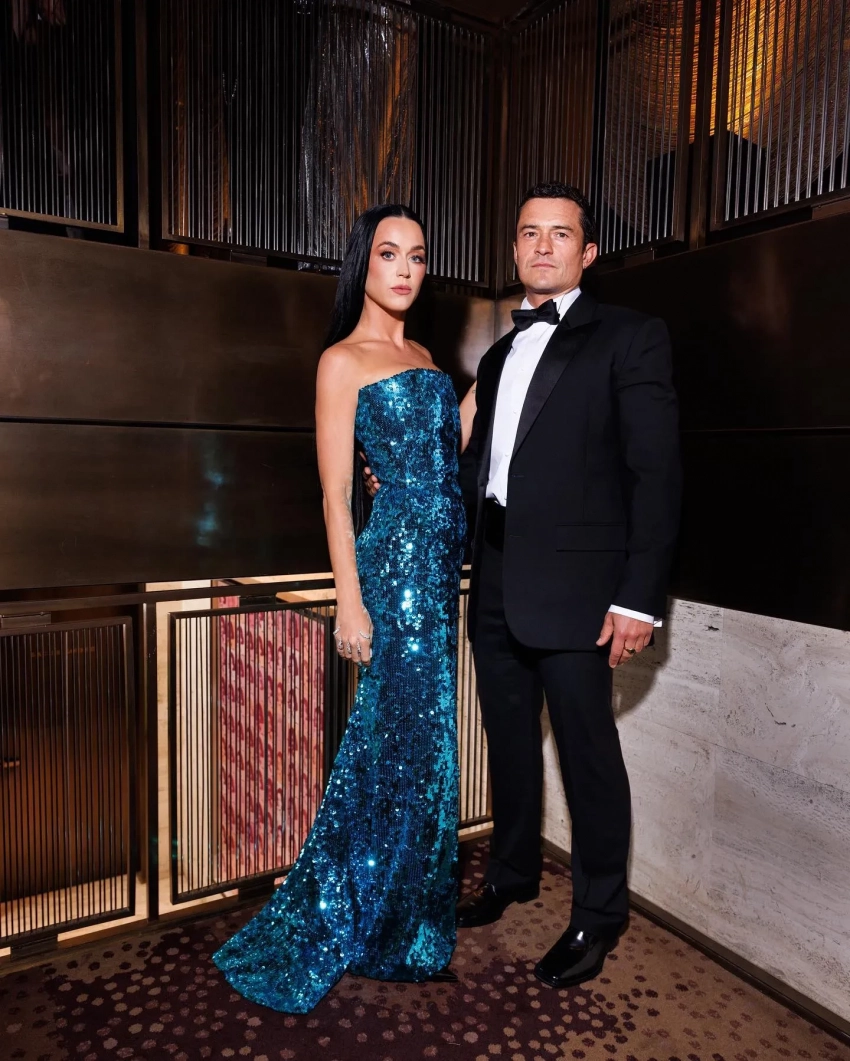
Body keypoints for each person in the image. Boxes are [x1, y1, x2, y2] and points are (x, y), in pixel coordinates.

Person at [365, 181, 681, 990]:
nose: (542, 246)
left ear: (588, 252)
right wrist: (399, 480)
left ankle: (598, 915)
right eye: (529, 233)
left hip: (582, 590)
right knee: (507, 740)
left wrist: (638, 598)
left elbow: (657, 474)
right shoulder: (500, 355)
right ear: (513, 249)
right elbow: (473, 466)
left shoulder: (631, 337)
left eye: (559, 234)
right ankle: (511, 872)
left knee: (588, 755)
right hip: (497, 573)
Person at [212, 204, 470, 1012]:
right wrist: (348, 603)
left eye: (417, 255)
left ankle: (405, 917)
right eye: (389, 253)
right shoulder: (341, 361)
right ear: (364, 263)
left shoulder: (425, 356)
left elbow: (440, 454)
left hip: (438, 577)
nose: (405, 269)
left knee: (424, 752)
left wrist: (498, 378)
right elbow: (333, 493)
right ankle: (362, 914)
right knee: (390, 750)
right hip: (391, 576)